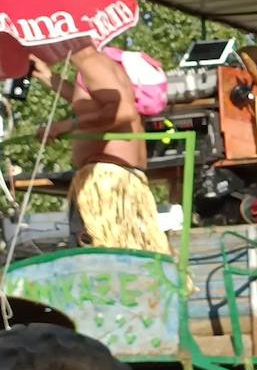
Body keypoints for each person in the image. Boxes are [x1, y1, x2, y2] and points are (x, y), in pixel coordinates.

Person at [28, 50, 169, 255]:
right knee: (130, 258)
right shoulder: (99, 63)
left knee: (100, 260)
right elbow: (91, 104)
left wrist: (63, 126)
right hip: (117, 179)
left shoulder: (92, 62)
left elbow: (124, 111)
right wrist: (47, 77)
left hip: (105, 184)